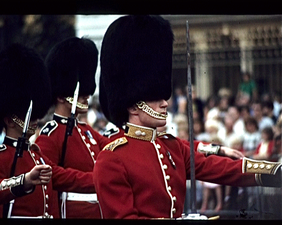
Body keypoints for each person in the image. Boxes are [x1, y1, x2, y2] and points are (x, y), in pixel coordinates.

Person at [92, 15, 282, 219]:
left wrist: (276, 172)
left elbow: (224, 169)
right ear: (133, 106)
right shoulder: (111, 159)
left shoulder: (171, 148)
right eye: (156, 98)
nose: (165, 102)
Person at [0, 43, 98, 218]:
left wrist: (105, 178)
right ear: (9, 120)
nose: (35, 119)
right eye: (28, 114)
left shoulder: (37, 157)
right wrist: (24, 181)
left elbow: (68, 179)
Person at [35, 37, 110, 219]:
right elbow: (49, 173)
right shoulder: (50, 134)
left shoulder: (87, 131)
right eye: (81, 92)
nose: (87, 96)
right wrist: (95, 180)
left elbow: (112, 149)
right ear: (61, 96)